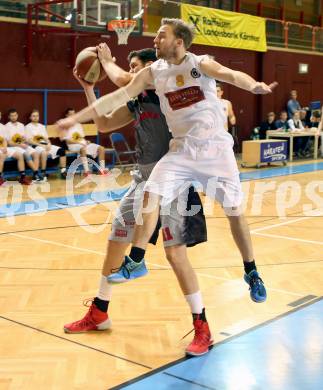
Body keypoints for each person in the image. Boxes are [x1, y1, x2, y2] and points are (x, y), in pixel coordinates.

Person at [58, 18, 275, 310]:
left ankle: (251, 270)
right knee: (152, 190)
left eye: (161, 36)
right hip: (182, 150)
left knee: (235, 211)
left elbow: (232, 74)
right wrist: (74, 118)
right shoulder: (153, 72)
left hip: (216, 151)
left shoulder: (201, 63)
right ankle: (136, 260)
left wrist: (255, 85)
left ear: (179, 42)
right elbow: (118, 94)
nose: (155, 40)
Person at [63, 47, 212, 356]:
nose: (131, 72)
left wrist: (108, 63)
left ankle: (202, 326)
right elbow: (103, 124)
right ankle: (100, 311)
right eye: (129, 66)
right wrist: (89, 87)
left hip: (172, 181)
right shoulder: (136, 101)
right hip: (142, 180)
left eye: (135, 67)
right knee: (115, 241)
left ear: (151, 69)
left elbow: (129, 80)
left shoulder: (164, 90)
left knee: (176, 255)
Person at [61, 108, 108, 176]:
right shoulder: (64, 126)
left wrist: (86, 141)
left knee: (101, 148)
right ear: (66, 115)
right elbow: (68, 141)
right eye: (70, 114)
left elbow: (81, 137)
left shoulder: (78, 125)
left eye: (74, 114)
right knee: (83, 149)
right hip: (73, 145)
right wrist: (79, 143)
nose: (72, 116)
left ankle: (102, 170)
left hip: (83, 144)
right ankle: (87, 171)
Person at [5, 108, 44, 183]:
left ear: (17, 115)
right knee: (26, 154)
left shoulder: (21, 125)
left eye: (15, 115)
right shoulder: (6, 126)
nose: (14, 117)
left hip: (23, 145)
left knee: (36, 153)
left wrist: (25, 143)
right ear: (9, 117)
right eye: (12, 116)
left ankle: (34, 176)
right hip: (14, 147)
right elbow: (9, 143)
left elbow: (25, 138)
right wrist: (19, 145)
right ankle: (36, 173)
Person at [25, 109, 67, 179]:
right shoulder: (27, 127)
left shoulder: (42, 126)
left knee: (62, 151)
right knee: (43, 153)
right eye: (33, 116)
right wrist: (41, 145)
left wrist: (49, 144)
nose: (35, 117)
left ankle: (63, 171)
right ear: (30, 117)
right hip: (36, 145)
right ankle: (43, 172)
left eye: (37, 116)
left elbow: (46, 138)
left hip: (45, 144)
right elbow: (29, 141)